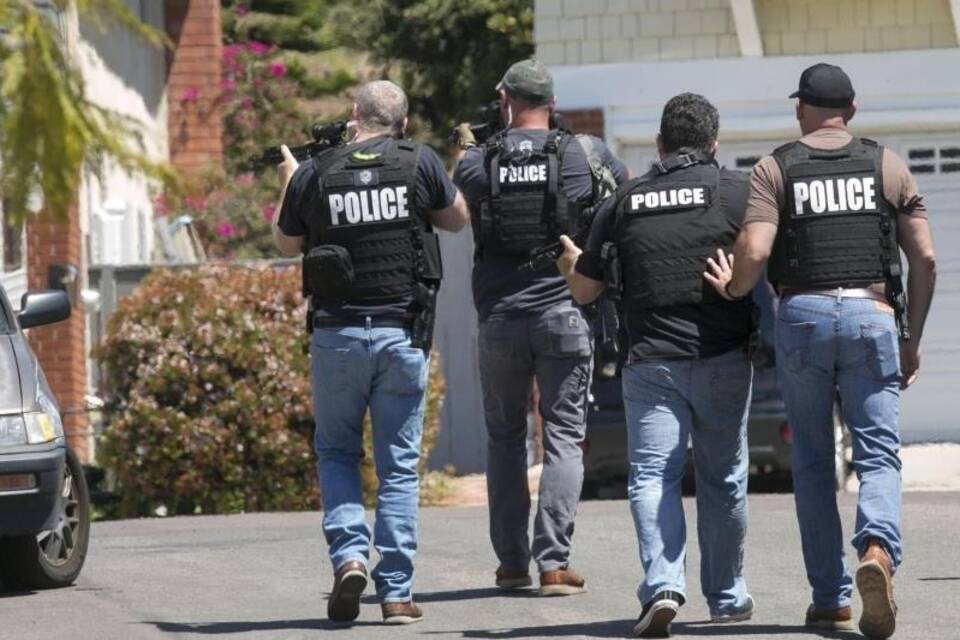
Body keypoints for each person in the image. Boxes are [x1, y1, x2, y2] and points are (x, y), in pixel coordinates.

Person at [704, 63, 937, 639]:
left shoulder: (773, 167)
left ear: (800, 109)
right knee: (878, 453)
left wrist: (733, 288)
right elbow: (926, 260)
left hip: (804, 317)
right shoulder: (886, 164)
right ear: (852, 110)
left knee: (810, 461)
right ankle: (878, 550)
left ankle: (831, 597)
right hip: (872, 314)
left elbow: (755, 250)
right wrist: (912, 340)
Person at [558, 93, 756, 637]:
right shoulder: (737, 192)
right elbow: (768, 259)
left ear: (661, 143)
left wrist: (569, 260)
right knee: (724, 480)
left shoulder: (623, 201)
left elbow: (585, 289)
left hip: (650, 362)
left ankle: (664, 584)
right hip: (721, 357)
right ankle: (727, 596)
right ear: (713, 145)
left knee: (652, 476)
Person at [273, 80, 470, 625]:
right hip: (401, 334)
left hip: (336, 335)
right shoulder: (419, 162)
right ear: (402, 123)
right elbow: (457, 219)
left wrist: (289, 185)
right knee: (399, 467)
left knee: (337, 453)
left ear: (354, 114)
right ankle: (397, 594)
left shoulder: (314, 172)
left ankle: (350, 557)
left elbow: (287, 244)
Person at [452, 59, 629, 596]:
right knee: (564, 440)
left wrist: (470, 142)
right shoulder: (580, 154)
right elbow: (621, 192)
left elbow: (462, 183)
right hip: (563, 313)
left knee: (505, 440)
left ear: (505, 100)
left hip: (501, 319)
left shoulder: (479, 160)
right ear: (552, 104)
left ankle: (511, 565)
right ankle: (553, 563)